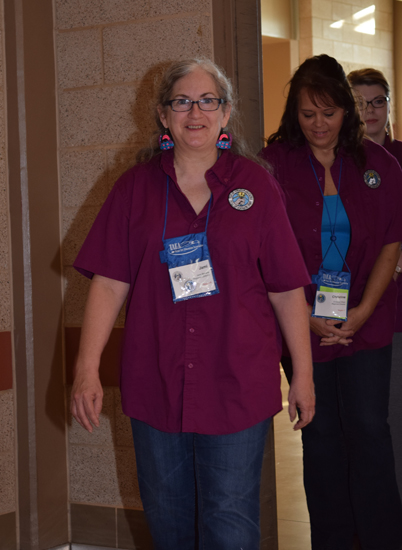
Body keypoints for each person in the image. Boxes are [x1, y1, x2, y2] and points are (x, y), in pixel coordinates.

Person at [70, 58, 315, 550]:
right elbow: (109, 283)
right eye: (182, 101)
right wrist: (86, 368)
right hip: (154, 382)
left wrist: (304, 375)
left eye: (208, 101)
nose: (195, 112)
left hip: (237, 382)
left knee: (231, 525)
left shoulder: (256, 186)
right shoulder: (135, 189)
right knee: (169, 524)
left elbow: (286, 288)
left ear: (226, 113)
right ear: (164, 115)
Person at [260, 54, 402, 550]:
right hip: (301, 324)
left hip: (367, 319)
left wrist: (362, 312)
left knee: (369, 429)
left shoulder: (379, 165)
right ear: (293, 113)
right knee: (319, 434)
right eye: (307, 114)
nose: (319, 124)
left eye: (329, 113)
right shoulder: (272, 167)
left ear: (347, 110)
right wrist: (304, 314)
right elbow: (265, 250)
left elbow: (391, 243)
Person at [348, 67, 402, 501]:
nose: (370, 111)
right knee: (372, 420)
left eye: (377, 101)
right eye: (359, 102)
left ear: (389, 105)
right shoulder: (337, 162)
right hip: (358, 311)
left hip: (396, 306)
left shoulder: (399, 158)